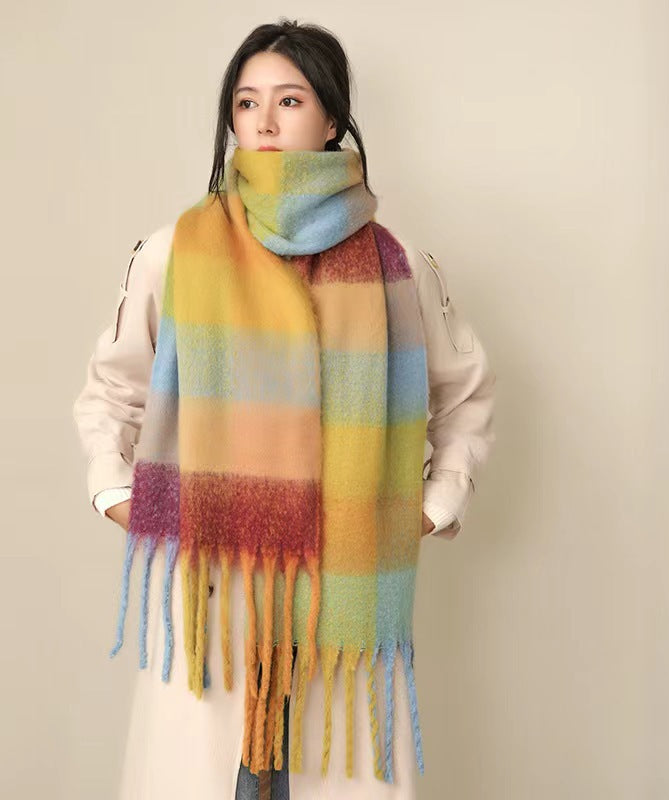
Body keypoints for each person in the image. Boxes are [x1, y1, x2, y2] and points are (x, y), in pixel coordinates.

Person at [73, 19, 496, 800]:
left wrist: (434, 506)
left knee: (334, 772)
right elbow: (113, 388)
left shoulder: (395, 264)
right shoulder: (176, 251)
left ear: (331, 120)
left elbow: (463, 396)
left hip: (347, 584)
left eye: (289, 100)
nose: (264, 122)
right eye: (246, 102)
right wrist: (116, 493)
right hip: (210, 582)